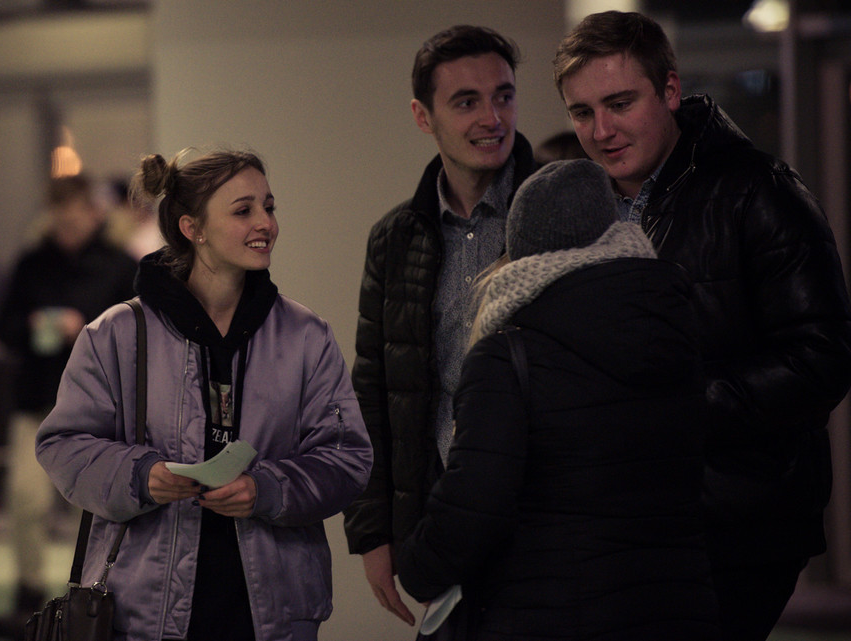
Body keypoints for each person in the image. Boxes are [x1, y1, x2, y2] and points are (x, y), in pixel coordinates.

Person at [553, 11, 851, 640]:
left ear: (669, 91)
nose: (600, 130)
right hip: (629, 519)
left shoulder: (758, 190)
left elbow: (822, 358)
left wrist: (675, 405)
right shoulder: (588, 206)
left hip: (735, 519)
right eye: (582, 112)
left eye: (619, 102)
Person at [35, 149, 373, 641]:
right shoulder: (116, 334)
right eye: (243, 211)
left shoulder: (306, 336)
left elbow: (347, 457)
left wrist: (268, 488)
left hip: (272, 610)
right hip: (142, 610)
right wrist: (140, 475)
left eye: (269, 207)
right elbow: (63, 445)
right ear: (192, 228)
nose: (266, 223)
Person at [397, 158, 720, 640]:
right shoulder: (676, 326)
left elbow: (475, 502)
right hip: (676, 604)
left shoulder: (508, 353)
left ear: (522, 250)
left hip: (553, 610)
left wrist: (420, 568)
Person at [341, 24, 539, 628]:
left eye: (503, 95)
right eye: (466, 101)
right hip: (442, 516)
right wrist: (374, 534)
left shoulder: (556, 212)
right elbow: (373, 391)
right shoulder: (397, 237)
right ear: (423, 117)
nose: (492, 118)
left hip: (545, 511)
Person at [0, 174, 139, 640]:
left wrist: (86, 327)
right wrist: (32, 325)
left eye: (76, 211)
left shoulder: (120, 266)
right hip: (36, 401)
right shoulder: (31, 264)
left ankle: (89, 601)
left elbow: (140, 334)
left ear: (93, 212)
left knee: (91, 510)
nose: (69, 221)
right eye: (60, 212)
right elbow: (2, 326)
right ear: (51, 214)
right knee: (25, 501)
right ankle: (28, 596)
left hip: (98, 412)